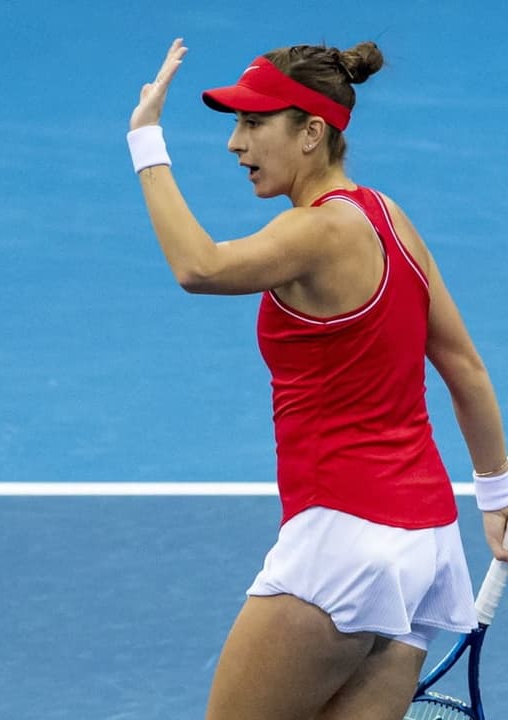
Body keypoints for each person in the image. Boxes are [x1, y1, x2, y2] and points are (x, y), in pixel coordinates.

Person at [127, 39, 508, 720]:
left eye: (253, 124)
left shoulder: (315, 232)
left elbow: (200, 267)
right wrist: (498, 494)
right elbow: (465, 369)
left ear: (311, 133)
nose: (234, 144)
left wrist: (145, 144)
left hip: (343, 549)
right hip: (423, 548)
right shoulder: (390, 220)